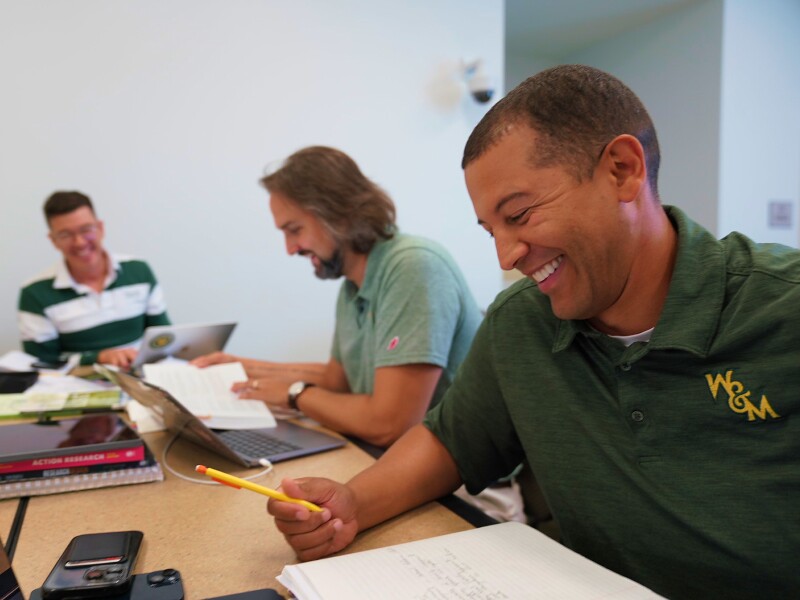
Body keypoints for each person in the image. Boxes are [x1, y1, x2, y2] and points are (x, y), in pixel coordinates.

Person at [264, 66, 799, 599]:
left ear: (622, 170)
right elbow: (449, 441)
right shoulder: (521, 321)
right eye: (491, 230)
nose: (506, 255)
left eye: (519, 214)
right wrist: (352, 504)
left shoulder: (782, 308)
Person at [193, 146, 484, 449]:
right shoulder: (353, 285)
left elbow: (391, 425)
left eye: (294, 230)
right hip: (396, 459)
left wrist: (296, 395)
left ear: (339, 214)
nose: (290, 248)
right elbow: (337, 379)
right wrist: (239, 367)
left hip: (470, 487)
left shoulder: (414, 266)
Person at [18, 191, 170, 369]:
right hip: (80, 385)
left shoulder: (138, 271)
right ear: (53, 240)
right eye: (66, 235)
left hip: (142, 376)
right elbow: (41, 363)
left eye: (86, 230)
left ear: (100, 228)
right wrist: (98, 357)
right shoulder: (35, 293)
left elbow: (163, 337)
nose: (80, 242)